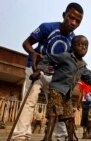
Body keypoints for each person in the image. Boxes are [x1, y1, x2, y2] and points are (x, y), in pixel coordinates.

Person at [11, 2, 84, 141]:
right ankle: (20, 136)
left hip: (54, 77)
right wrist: (33, 53)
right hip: (36, 69)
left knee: (57, 106)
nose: (73, 22)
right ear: (64, 15)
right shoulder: (47, 27)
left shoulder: (73, 41)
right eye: (71, 17)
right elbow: (26, 43)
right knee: (30, 101)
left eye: (78, 21)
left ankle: (61, 136)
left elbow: (70, 62)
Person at [30, 35, 91, 141]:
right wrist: (39, 69)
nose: (83, 47)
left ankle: (70, 138)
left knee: (69, 117)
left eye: (86, 46)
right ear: (73, 46)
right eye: (80, 44)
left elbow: (88, 78)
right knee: (54, 112)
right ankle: (47, 137)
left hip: (67, 93)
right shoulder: (66, 56)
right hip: (57, 88)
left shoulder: (83, 66)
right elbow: (48, 59)